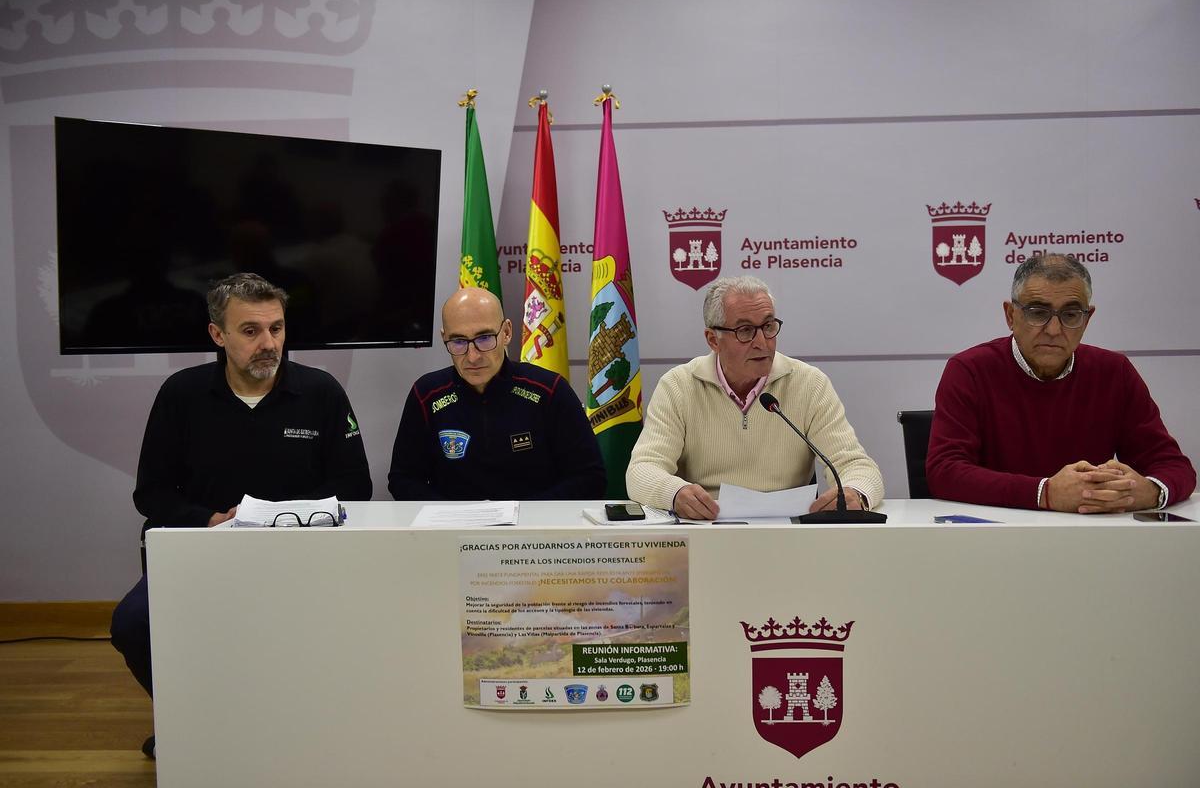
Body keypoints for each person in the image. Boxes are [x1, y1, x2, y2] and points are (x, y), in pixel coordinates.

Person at [110, 273, 372, 758]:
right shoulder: (181, 395)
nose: (267, 343)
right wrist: (210, 519)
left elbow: (356, 486)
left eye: (276, 328)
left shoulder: (322, 392)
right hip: (204, 552)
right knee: (131, 624)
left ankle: (297, 726)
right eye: (250, 331)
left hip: (298, 554)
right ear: (218, 335)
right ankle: (188, 718)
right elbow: (151, 493)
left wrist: (285, 519)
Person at [926, 254, 1195, 512]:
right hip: (996, 536)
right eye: (1037, 312)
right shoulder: (970, 370)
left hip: (1093, 538)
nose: (1054, 330)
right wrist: (1046, 493)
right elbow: (944, 471)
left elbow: (1173, 466)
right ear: (1010, 316)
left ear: (1087, 319)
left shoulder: (1114, 372)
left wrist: (1149, 491)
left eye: (1070, 315)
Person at [625, 276, 883, 519]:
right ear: (713, 340)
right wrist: (674, 493)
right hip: (706, 529)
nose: (763, 342)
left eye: (769, 327)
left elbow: (857, 466)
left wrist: (855, 492)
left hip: (790, 533)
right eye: (745, 331)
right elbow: (642, 470)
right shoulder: (678, 386)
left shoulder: (808, 383)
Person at [388, 287, 605, 500]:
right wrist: (454, 517)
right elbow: (403, 480)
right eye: (458, 342)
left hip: (532, 530)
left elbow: (589, 477)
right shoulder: (426, 393)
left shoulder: (550, 390)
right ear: (444, 338)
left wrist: (522, 516)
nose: (472, 356)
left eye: (484, 338)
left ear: (507, 332)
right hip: (452, 530)